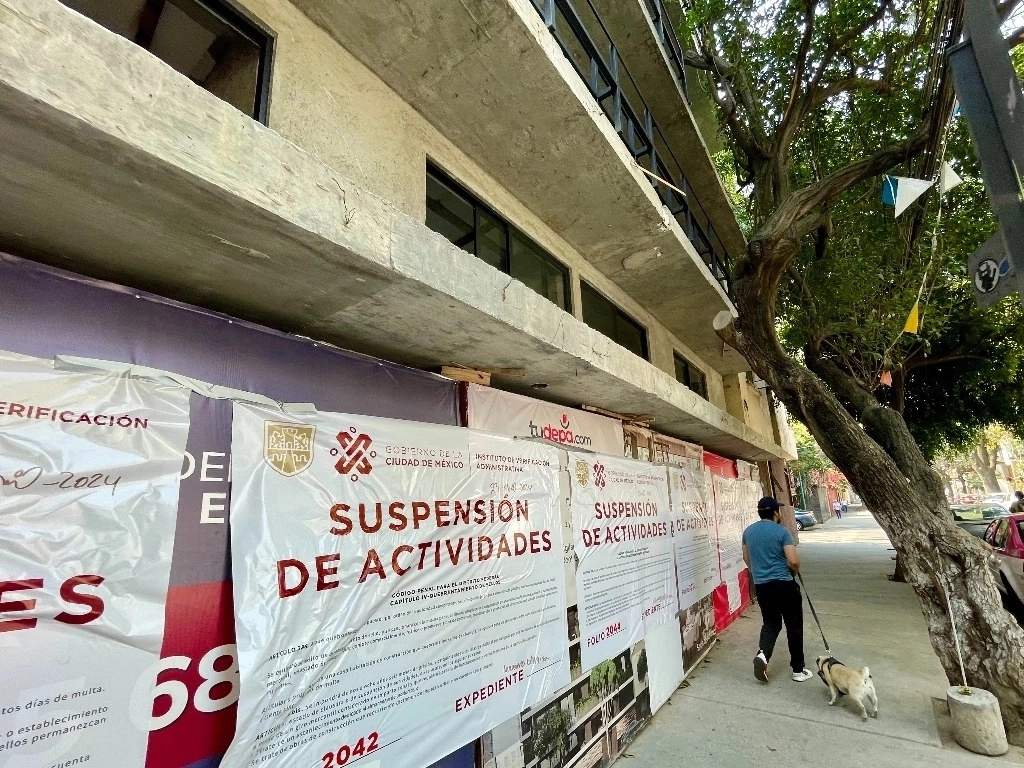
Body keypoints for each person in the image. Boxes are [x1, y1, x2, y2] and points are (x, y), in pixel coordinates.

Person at [742, 496, 813, 683]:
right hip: (784, 585)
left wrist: (759, 573)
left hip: (762, 587)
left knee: (771, 624)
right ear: (775, 512)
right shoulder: (782, 532)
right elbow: (794, 560)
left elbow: (746, 558)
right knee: (794, 626)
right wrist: (793, 572)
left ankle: (763, 654)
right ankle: (798, 670)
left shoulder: (748, 532)